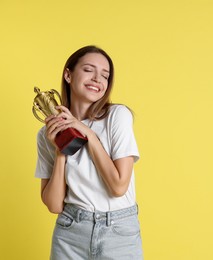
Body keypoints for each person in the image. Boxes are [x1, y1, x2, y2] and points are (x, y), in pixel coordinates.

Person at [34, 45, 143, 259]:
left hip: (118, 232)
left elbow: (119, 186)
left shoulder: (117, 116)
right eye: (88, 70)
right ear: (68, 74)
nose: (97, 79)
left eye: (105, 75)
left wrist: (89, 135)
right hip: (70, 232)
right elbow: (55, 205)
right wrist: (60, 151)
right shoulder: (47, 134)